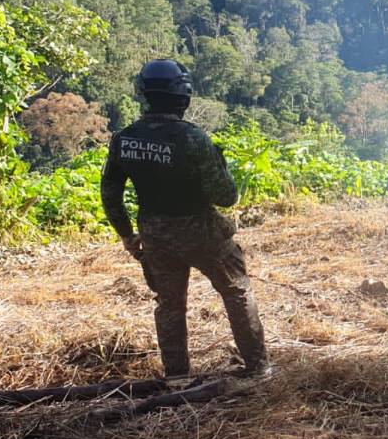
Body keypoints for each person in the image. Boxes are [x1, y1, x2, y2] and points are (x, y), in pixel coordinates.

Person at [100, 59, 268, 378]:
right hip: (201, 232)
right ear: (183, 96)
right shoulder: (192, 138)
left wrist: (126, 235)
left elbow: (110, 193)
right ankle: (258, 367)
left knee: (169, 304)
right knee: (237, 292)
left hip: (154, 235)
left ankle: (177, 376)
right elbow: (226, 196)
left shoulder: (124, 139)